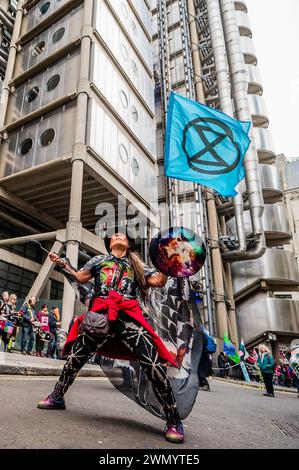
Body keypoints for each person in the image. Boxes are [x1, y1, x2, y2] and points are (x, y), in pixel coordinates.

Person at [37, 231, 185, 444]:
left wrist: (169, 263)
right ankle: (57, 396)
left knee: (153, 364)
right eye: (115, 235)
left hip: (128, 316)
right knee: (76, 357)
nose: (118, 235)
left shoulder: (138, 265)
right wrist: (62, 263)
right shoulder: (98, 260)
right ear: (109, 243)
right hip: (99, 316)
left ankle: (173, 418)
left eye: (123, 235)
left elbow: (159, 282)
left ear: (128, 244)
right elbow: (80, 277)